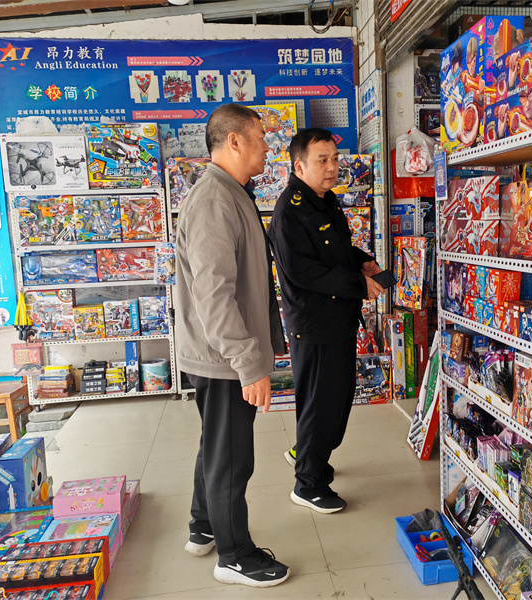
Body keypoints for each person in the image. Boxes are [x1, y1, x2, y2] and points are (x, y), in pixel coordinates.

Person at [174, 103, 289, 588]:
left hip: (219, 352)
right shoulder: (214, 200)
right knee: (232, 457)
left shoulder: (231, 192)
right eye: (260, 138)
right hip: (223, 356)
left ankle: (204, 525)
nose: (267, 147)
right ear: (234, 141)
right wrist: (247, 362)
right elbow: (213, 293)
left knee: (216, 445)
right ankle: (235, 555)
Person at [268, 128, 384, 514]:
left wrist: (362, 262)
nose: (332, 167)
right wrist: (358, 285)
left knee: (335, 400)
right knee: (321, 405)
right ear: (299, 166)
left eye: (335, 158)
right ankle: (308, 483)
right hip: (314, 324)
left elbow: (336, 251)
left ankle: (307, 454)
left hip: (338, 319)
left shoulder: (325, 200)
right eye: (323, 160)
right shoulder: (289, 211)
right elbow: (304, 272)